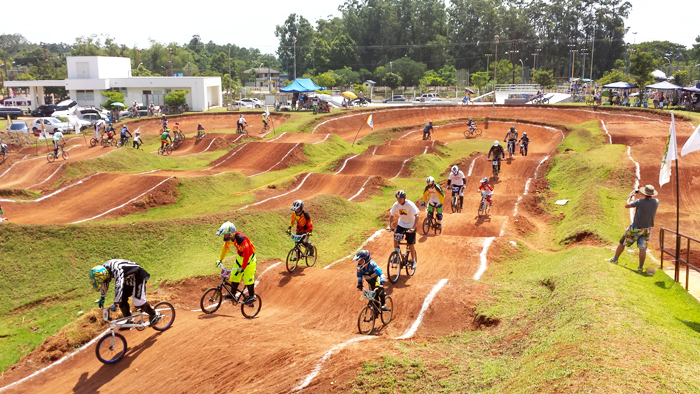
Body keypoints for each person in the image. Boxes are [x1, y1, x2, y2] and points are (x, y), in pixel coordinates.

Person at [90, 260, 160, 328]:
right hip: (127, 278)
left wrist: (115, 303)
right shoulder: (104, 269)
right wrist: (102, 297)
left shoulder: (117, 269)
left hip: (138, 276)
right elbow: (105, 282)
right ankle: (129, 320)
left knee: (138, 302)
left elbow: (119, 286)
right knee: (122, 300)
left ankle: (154, 314)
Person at [607, 185, 659, 272]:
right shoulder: (656, 202)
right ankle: (640, 268)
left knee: (622, 241)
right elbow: (649, 200)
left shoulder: (639, 202)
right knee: (643, 248)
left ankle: (615, 259)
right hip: (647, 229)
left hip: (636, 227)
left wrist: (630, 197)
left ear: (644, 193)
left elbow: (627, 205)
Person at [215, 221, 257, 303]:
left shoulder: (241, 239)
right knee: (234, 275)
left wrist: (243, 267)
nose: (224, 236)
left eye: (225, 234)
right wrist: (220, 259)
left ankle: (252, 296)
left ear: (231, 233)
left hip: (249, 258)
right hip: (241, 257)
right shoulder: (231, 239)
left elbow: (247, 253)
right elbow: (226, 247)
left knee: (247, 277)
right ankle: (232, 294)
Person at [388, 190, 419, 269]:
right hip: (401, 225)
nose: (399, 200)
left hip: (410, 226)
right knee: (395, 237)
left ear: (404, 197)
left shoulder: (410, 205)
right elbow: (391, 216)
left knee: (410, 243)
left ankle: (413, 260)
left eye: (400, 198)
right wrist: (389, 226)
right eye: (398, 199)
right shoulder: (396, 205)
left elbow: (417, 216)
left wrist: (413, 227)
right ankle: (395, 254)